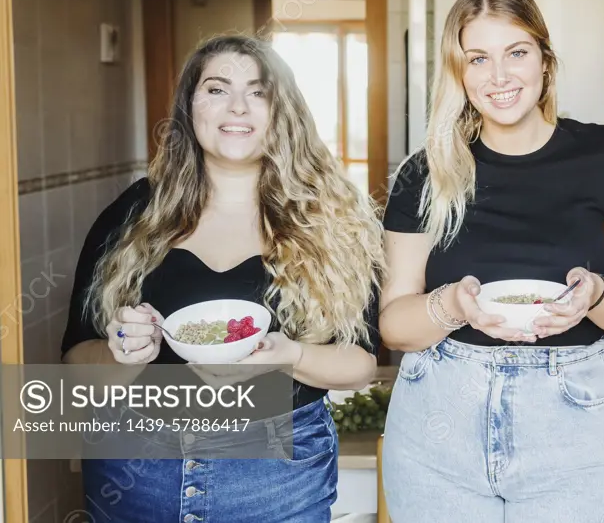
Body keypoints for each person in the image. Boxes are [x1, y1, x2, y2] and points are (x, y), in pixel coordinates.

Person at [60, 35, 386, 523]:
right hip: (135, 468)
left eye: (258, 92)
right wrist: (120, 354)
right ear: (190, 106)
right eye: (216, 89)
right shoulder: (132, 214)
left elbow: (360, 364)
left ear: (283, 111)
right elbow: (74, 364)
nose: (237, 106)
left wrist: (291, 355)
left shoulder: (333, 221)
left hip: (279, 476)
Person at [379, 0, 604, 522]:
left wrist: (596, 295)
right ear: (458, 72)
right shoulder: (426, 173)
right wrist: (452, 307)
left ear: (545, 60)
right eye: (478, 58)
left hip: (570, 421)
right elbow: (394, 324)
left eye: (517, 52)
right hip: (440, 416)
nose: (499, 76)